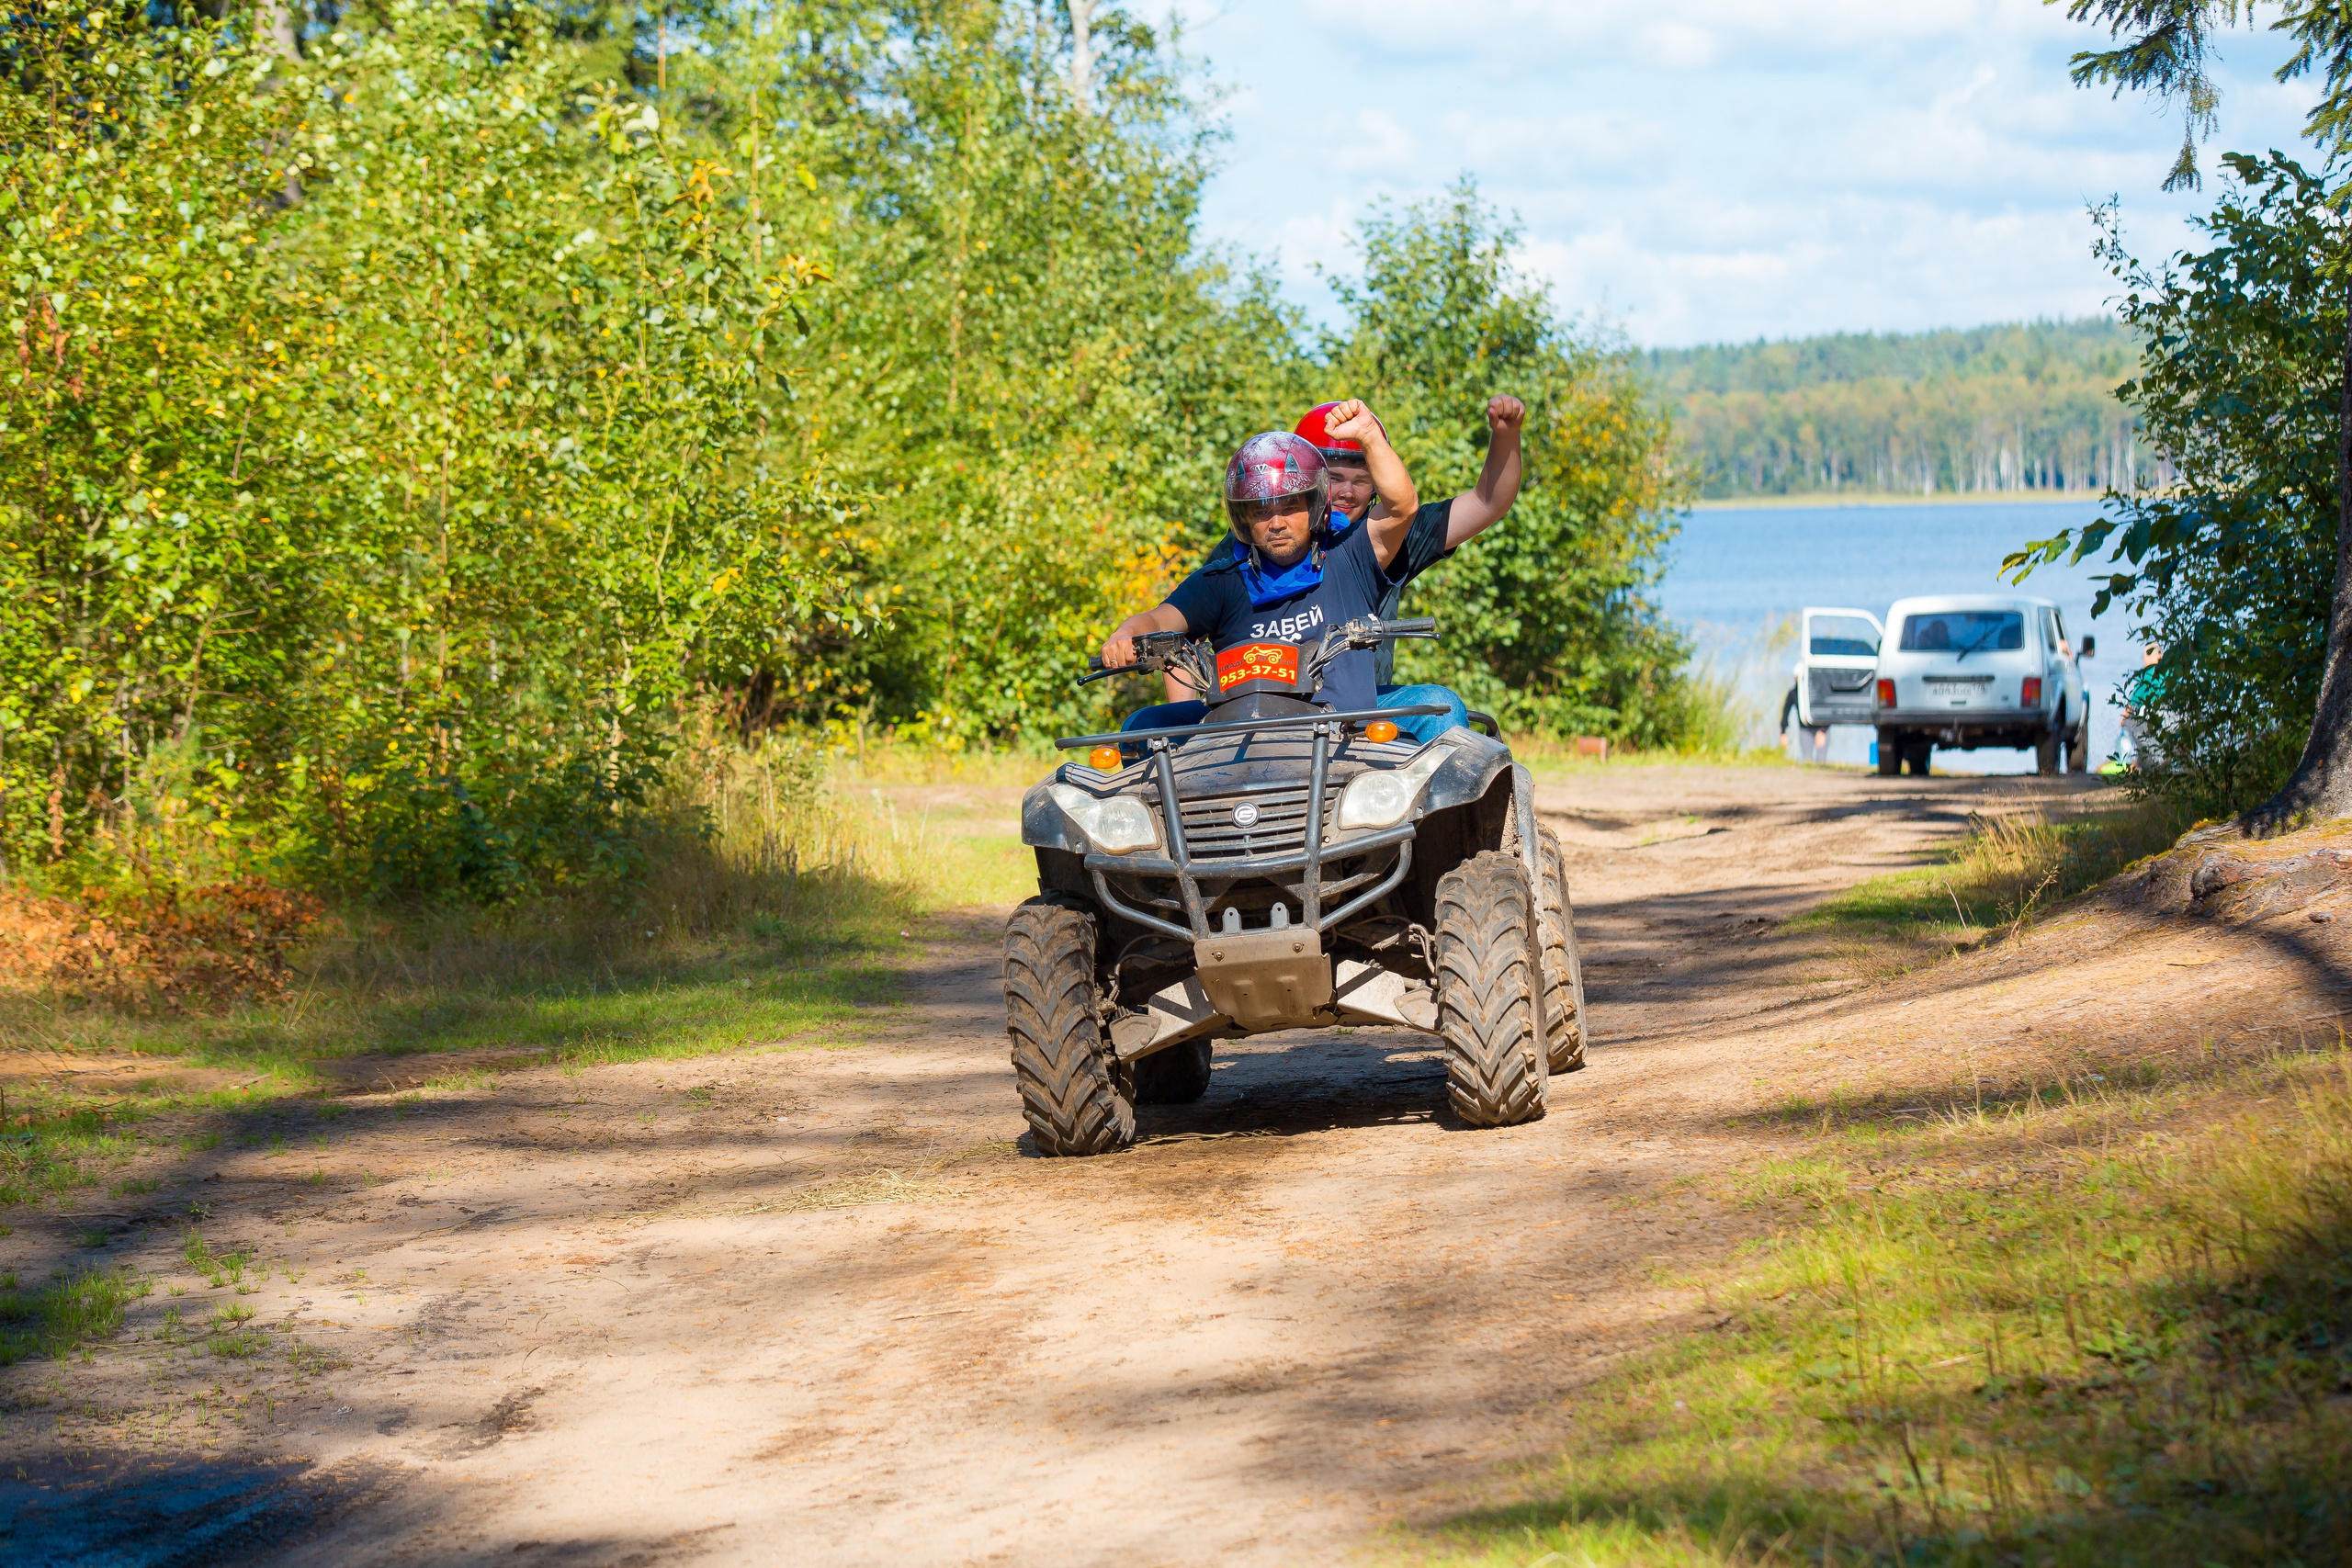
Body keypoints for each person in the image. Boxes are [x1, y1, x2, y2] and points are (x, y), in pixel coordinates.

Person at [1123, 394, 1531, 740]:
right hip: (1249, 704)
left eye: (1362, 478)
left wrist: (1506, 434)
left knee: (1440, 705)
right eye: (1334, 478)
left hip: (1354, 701)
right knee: (1147, 729)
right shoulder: (1243, 553)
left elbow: (1483, 503)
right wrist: (1199, 738)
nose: (1348, 492)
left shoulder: (1375, 540)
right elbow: (1178, 633)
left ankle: (1452, 829)